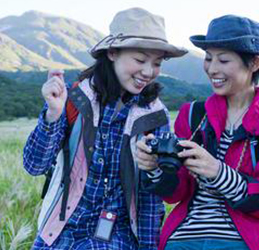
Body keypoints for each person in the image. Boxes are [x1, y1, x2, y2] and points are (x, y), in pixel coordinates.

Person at [22, 7, 187, 250]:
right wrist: (53, 114)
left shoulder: (154, 116)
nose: (148, 72)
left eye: (157, 63)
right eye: (140, 60)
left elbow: (149, 197)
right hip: (58, 234)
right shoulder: (74, 98)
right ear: (112, 53)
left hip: (117, 238)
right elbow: (35, 165)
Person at [136, 15, 259, 250]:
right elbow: (176, 193)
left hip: (246, 240)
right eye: (208, 58)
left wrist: (218, 172)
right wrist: (154, 168)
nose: (212, 68)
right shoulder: (192, 115)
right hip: (183, 239)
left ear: (255, 63)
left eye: (223, 60)